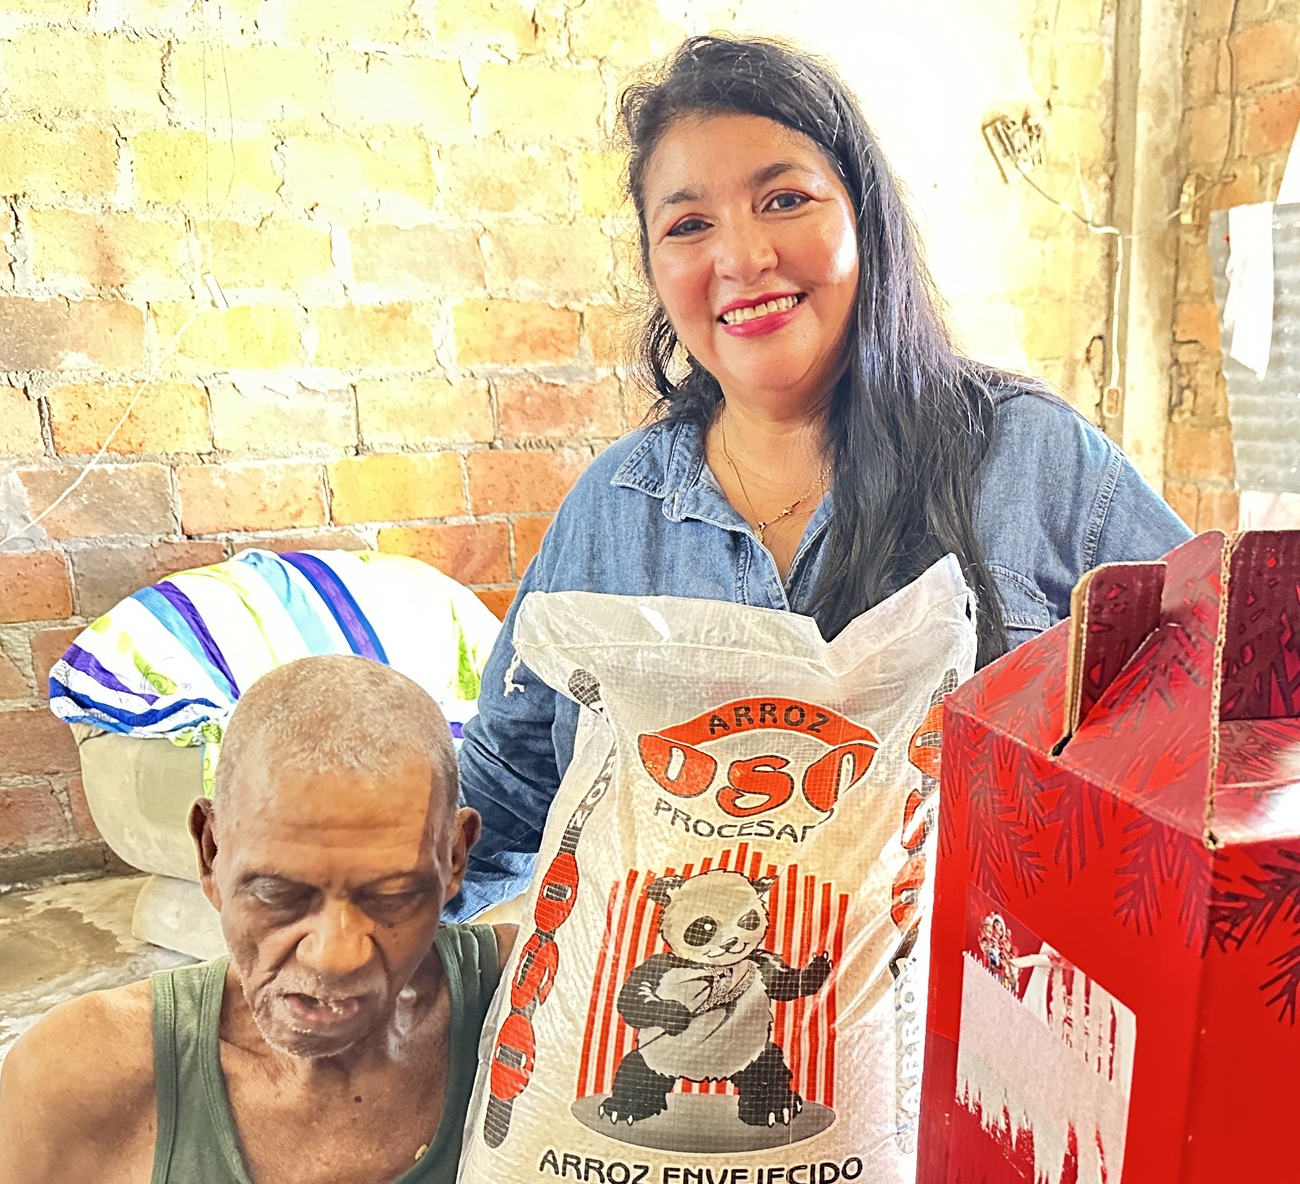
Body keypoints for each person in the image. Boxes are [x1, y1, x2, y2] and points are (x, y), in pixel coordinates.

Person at [450, 35, 1189, 917]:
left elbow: (1208, 723)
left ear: (864, 216)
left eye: (785, 200)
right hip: (675, 997)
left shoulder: (1034, 460)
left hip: (970, 1000)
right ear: (655, 269)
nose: (743, 258)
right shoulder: (613, 512)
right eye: (689, 225)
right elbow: (502, 801)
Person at [0, 656, 511, 1184]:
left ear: (454, 858)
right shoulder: (82, 1074)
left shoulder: (537, 1008)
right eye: (278, 894)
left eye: (393, 896)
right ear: (210, 851)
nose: (334, 956)